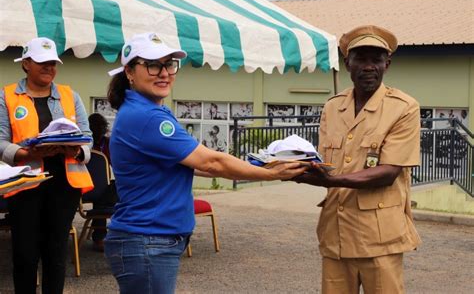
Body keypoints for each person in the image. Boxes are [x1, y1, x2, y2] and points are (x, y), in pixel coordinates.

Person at [104, 32, 307, 294]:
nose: (164, 73)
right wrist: (268, 173)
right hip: (147, 239)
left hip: (150, 239)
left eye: (169, 64)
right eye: (153, 65)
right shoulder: (146, 117)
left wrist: (257, 167)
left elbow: (190, 163)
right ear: (130, 72)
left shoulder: (148, 111)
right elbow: (210, 162)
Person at [292, 25, 421, 294]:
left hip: (379, 238)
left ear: (387, 63)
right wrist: (291, 166)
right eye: (360, 58)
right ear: (347, 63)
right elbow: (324, 161)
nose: (368, 66)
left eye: (376, 59)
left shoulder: (404, 107)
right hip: (335, 232)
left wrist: (331, 179)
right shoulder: (332, 107)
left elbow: (389, 172)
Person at [0, 37, 93, 293]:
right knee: (25, 253)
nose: (49, 68)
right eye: (42, 62)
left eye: (53, 63)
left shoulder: (69, 95)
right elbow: (0, 139)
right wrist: (24, 153)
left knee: (55, 252)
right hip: (25, 183)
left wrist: (74, 148)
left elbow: (87, 135)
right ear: (26, 64)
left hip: (64, 184)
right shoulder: (7, 95)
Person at [88, 112, 117, 252]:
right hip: (83, 186)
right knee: (103, 193)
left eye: (101, 127)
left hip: (100, 187)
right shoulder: (83, 145)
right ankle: (99, 237)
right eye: (96, 128)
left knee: (106, 191)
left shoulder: (109, 144)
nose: (100, 130)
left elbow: (117, 165)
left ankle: (99, 237)